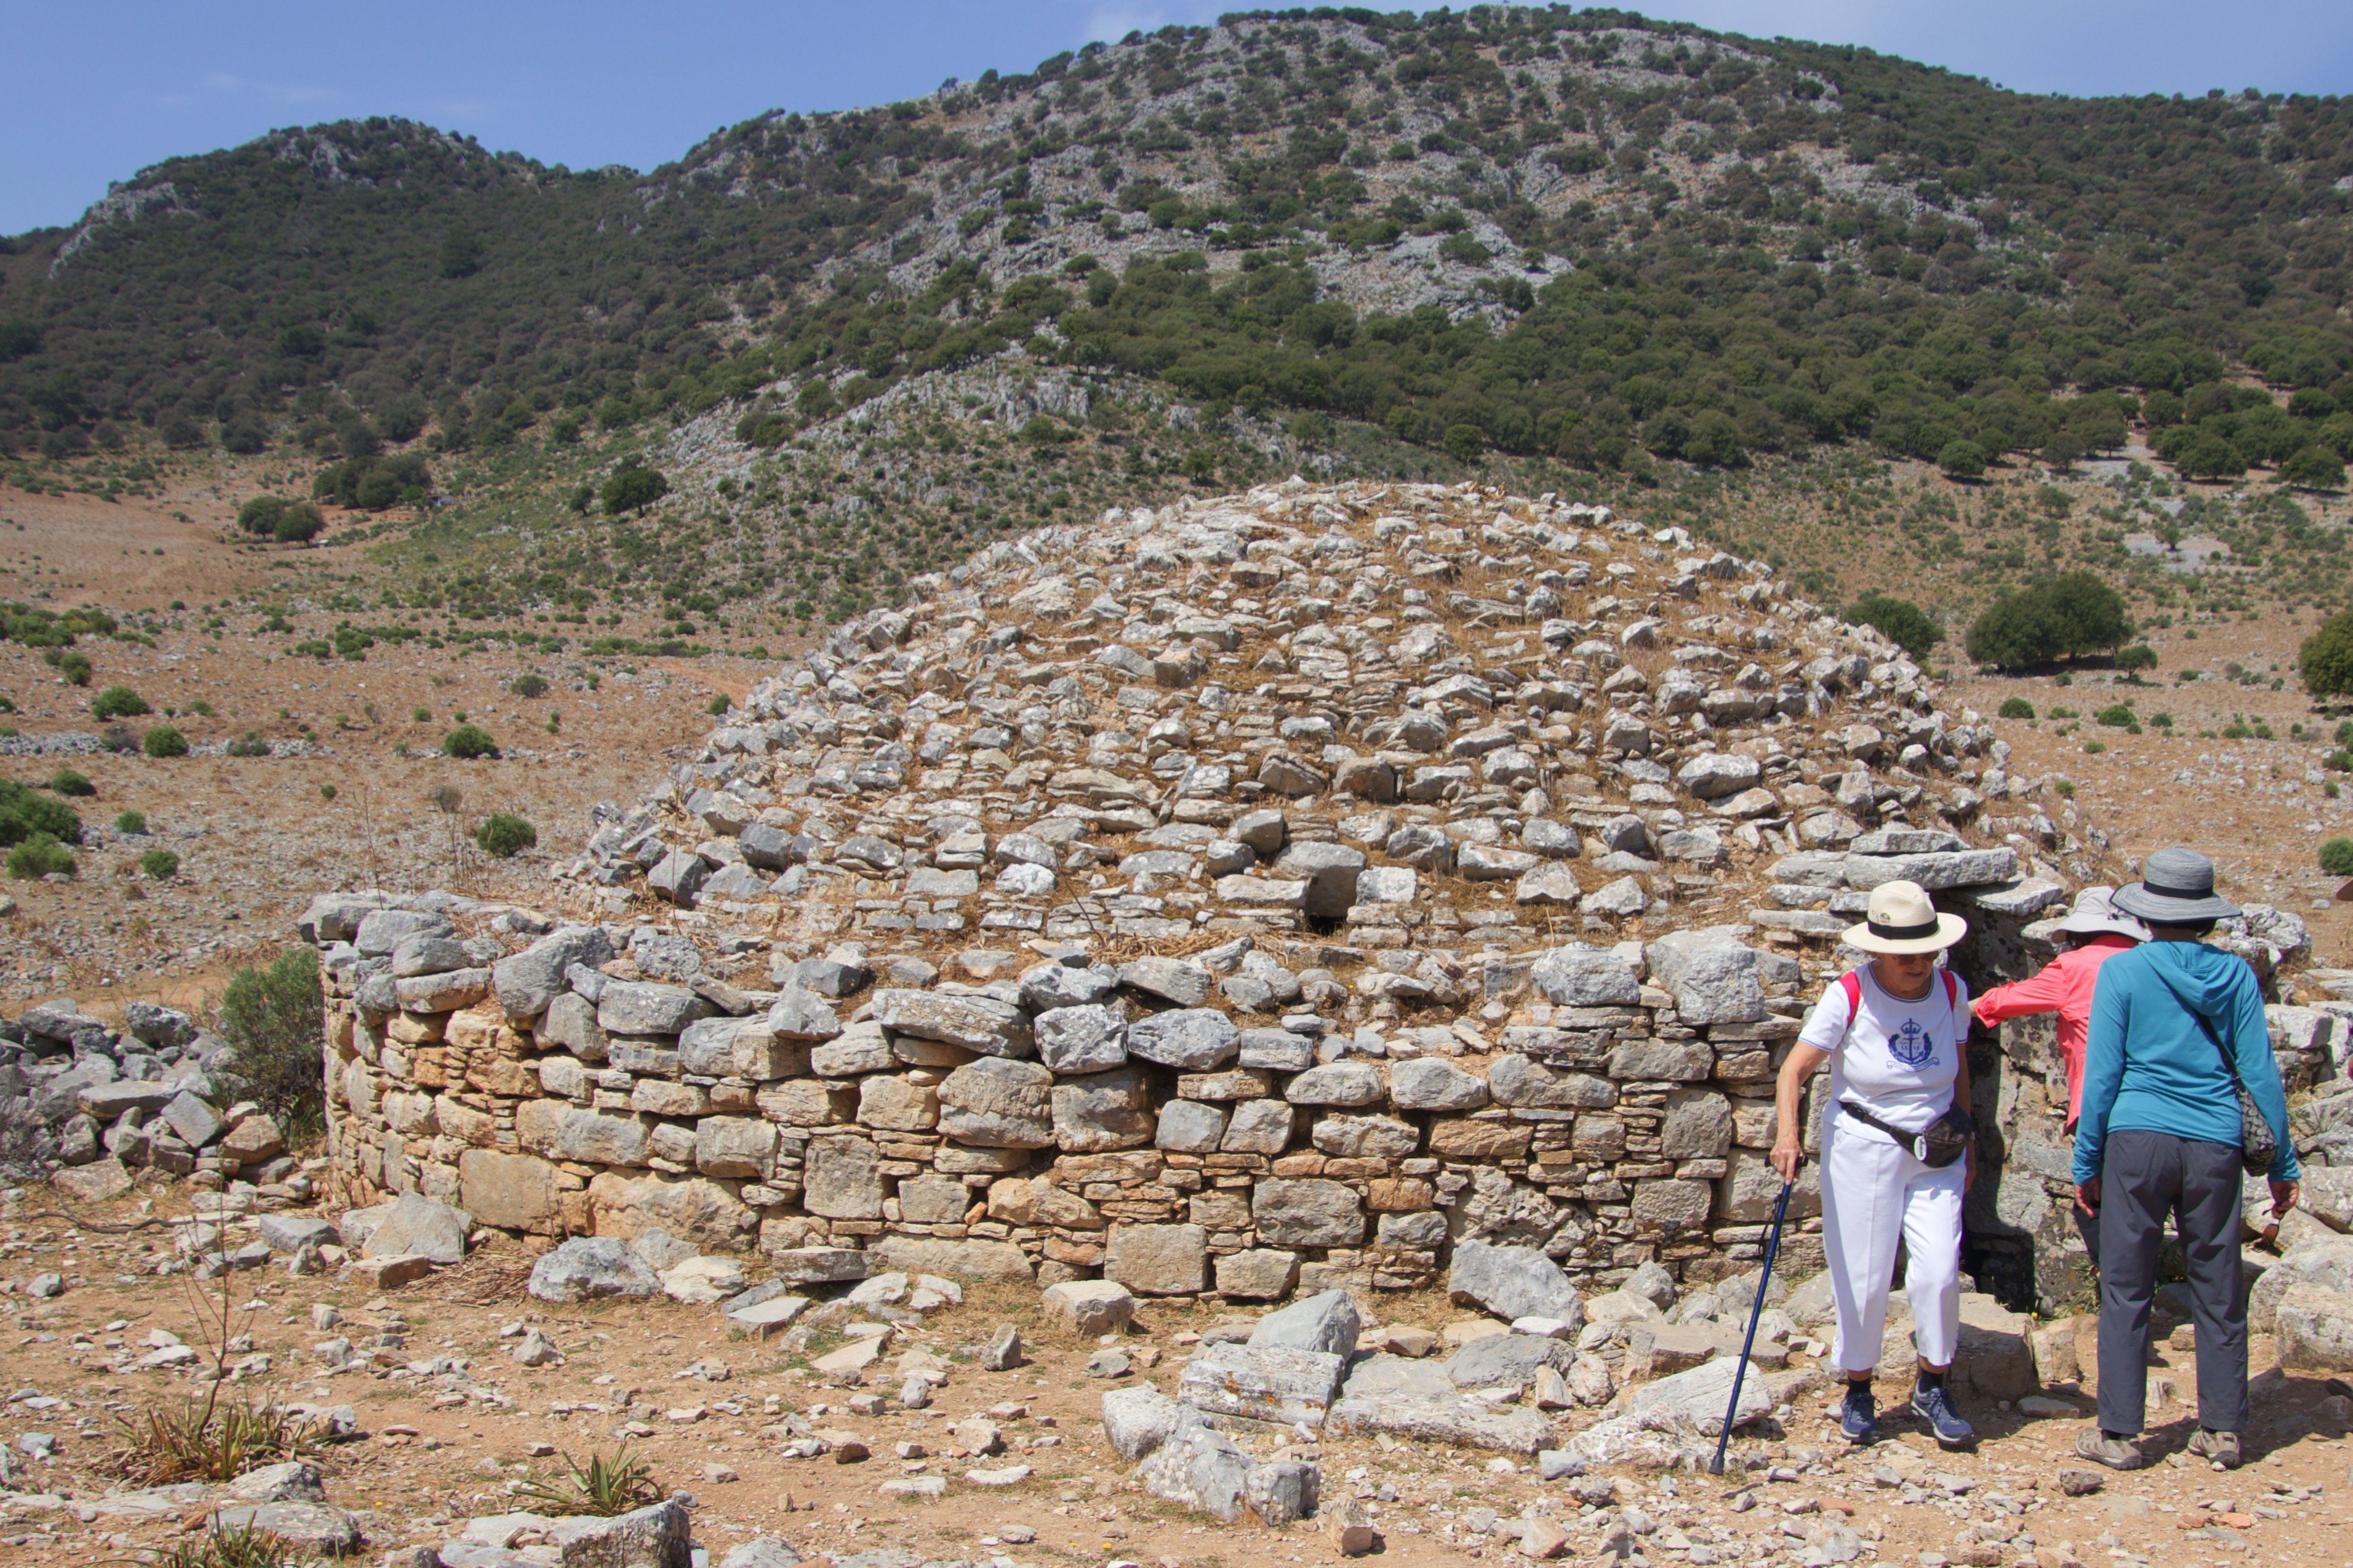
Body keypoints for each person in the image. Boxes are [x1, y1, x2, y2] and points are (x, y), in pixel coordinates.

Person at [2071, 848, 2298, 1473]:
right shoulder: (2234, 977)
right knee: (2218, 1283)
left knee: (2125, 1284)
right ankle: (2221, 1429)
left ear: (2147, 911)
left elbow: (2103, 1074)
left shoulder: (2122, 972)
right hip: (2215, 1142)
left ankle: (2118, 1433)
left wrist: (2086, 1159)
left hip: (2136, 1138)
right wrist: (2283, 1166)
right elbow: (2259, 1072)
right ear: (2205, 916)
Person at [1773, 879, 1977, 1450]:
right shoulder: (1849, 993)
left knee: (1938, 1269)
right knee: (1863, 1278)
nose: (1918, 963)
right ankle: (1858, 1387)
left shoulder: (1952, 987)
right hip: (1864, 1145)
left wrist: (1971, 1141)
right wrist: (1788, 1134)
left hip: (1937, 1146)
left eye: (1926, 951)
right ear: (1876, 952)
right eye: (1905, 954)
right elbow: (1795, 1069)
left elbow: (1959, 1068)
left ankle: (1932, 1383)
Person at [1971, 888, 2149, 1264]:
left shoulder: (2075, 967)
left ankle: (2122, 1306)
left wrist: (1948, 1007)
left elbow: (2006, 1000)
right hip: (2161, 1107)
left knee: (2100, 1212)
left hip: (2104, 1111)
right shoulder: (2151, 961)